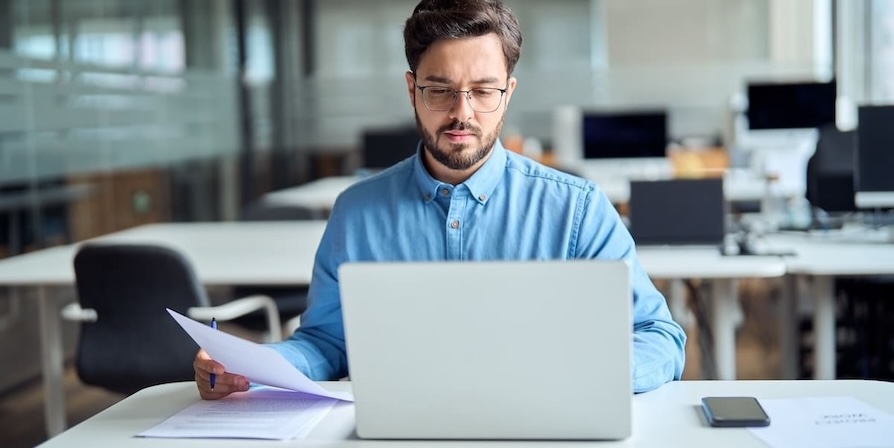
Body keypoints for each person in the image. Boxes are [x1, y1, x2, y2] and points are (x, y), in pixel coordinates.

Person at [194, 0, 686, 397]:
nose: (461, 113)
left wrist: (583, 378)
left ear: (508, 93)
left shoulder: (577, 209)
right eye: (440, 91)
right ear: (412, 91)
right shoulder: (357, 213)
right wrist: (251, 366)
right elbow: (326, 343)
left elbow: (659, 337)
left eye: (483, 91)